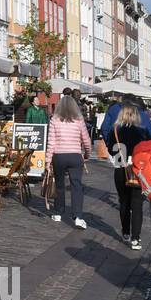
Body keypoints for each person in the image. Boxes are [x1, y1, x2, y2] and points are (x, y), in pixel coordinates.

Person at [47, 95, 93, 228]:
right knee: (76, 185)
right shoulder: (79, 120)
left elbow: (51, 142)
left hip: (59, 156)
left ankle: (58, 212)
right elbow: (86, 140)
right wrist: (87, 155)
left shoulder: (54, 120)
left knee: (59, 184)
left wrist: (47, 160)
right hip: (75, 155)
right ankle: (78, 216)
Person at [109, 103, 150, 249]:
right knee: (137, 205)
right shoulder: (142, 132)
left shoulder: (115, 131)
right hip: (138, 170)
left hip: (121, 168)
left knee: (124, 201)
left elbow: (111, 149)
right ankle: (136, 238)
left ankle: (126, 231)